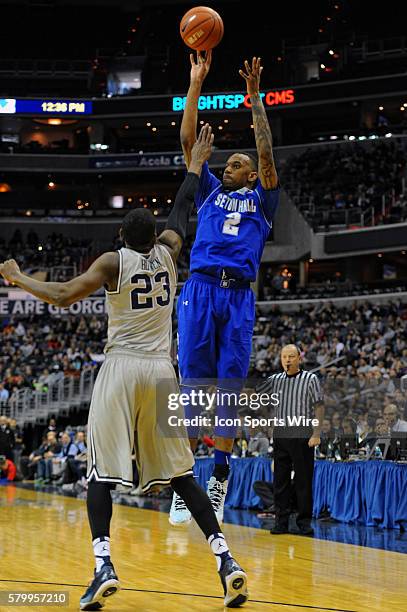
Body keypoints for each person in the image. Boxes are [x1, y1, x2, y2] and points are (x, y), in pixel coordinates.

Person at [0, 126, 248, 610]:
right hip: (161, 371)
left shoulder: (114, 262)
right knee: (182, 476)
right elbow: (182, 208)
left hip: (120, 369)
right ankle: (226, 562)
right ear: (154, 237)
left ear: (121, 237)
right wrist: (196, 163)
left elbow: (62, 295)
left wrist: (16, 276)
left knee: (101, 476)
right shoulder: (171, 253)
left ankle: (103, 567)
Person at [171, 52, 280, 526]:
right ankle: (187, 479)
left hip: (237, 294)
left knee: (229, 384)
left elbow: (266, 151)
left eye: (238, 162)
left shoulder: (263, 196)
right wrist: (195, 84)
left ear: (252, 175)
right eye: (229, 161)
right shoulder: (211, 190)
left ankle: (219, 474)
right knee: (194, 382)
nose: (231, 162)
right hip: (199, 287)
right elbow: (189, 142)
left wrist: (255, 98)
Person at [258, 345, 324, 536]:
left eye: (291, 356)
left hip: (303, 432)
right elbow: (255, 396)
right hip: (281, 433)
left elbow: (319, 406)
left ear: (299, 359)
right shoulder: (275, 380)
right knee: (280, 480)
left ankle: (304, 523)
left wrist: (316, 433)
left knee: (303, 480)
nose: (287, 360)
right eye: (284, 357)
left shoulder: (310, 378)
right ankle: (281, 522)